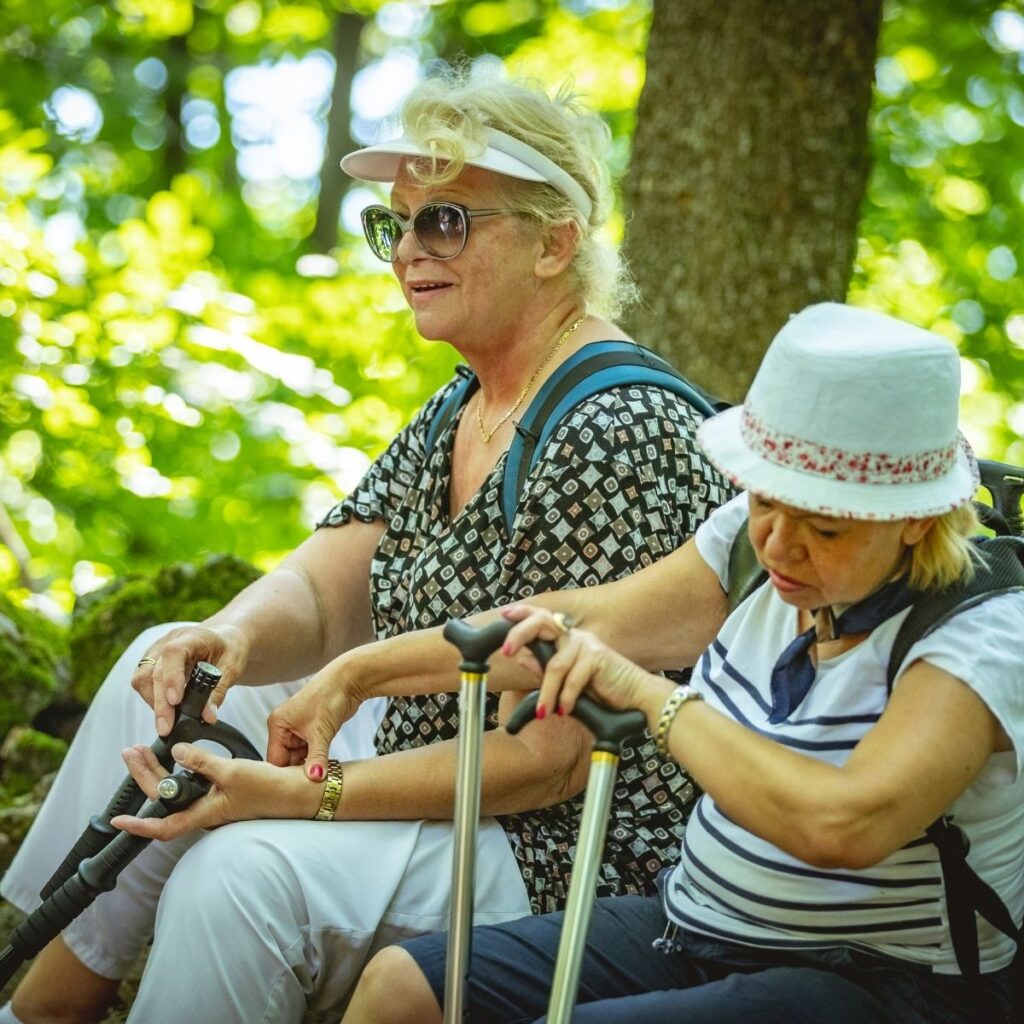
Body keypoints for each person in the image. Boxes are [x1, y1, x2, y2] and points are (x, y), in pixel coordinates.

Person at [0, 71, 729, 1024]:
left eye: (449, 222)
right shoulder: (466, 401)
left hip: (561, 844)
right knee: (169, 668)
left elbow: (551, 758)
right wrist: (232, 633)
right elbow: (328, 584)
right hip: (441, 756)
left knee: (242, 872)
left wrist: (302, 795)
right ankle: (45, 1004)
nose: (411, 252)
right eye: (399, 224)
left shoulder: (619, 426)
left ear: (557, 243)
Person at [342, 302, 1024, 1024]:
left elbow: (843, 826)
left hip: (884, 985)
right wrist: (357, 675)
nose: (780, 545)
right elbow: (587, 621)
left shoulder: (979, 632)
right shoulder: (750, 547)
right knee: (401, 988)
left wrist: (651, 700)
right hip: (697, 925)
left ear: (915, 519)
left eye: (826, 526)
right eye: (765, 499)